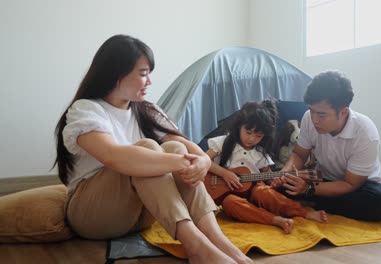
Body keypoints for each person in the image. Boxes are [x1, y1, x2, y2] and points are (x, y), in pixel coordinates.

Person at [53, 34, 252, 264]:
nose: (149, 82)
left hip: (139, 216)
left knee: (174, 146)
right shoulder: (86, 109)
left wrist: (203, 162)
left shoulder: (146, 110)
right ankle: (196, 247)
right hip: (92, 215)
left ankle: (220, 242)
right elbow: (114, 157)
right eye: (143, 73)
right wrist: (179, 163)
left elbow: (189, 149)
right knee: (147, 150)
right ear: (117, 73)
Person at [271, 70, 381, 222]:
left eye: (322, 115)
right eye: (311, 111)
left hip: (358, 187)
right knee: (277, 183)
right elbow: (299, 154)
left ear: (343, 112)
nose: (315, 120)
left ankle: (312, 201)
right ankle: (314, 200)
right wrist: (285, 173)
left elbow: (350, 184)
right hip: (324, 180)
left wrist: (308, 189)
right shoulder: (309, 118)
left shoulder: (365, 132)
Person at [205, 100, 327, 234]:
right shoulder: (224, 142)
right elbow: (203, 160)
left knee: (264, 192)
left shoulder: (260, 152)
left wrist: (275, 181)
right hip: (227, 195)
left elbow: (268, 178)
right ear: (239, 126)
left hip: (254, 190)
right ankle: (275, 220)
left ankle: (303, 212)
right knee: (230, 203)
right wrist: (224, 173)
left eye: (258, 136)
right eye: (248, 132)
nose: (252, 139)